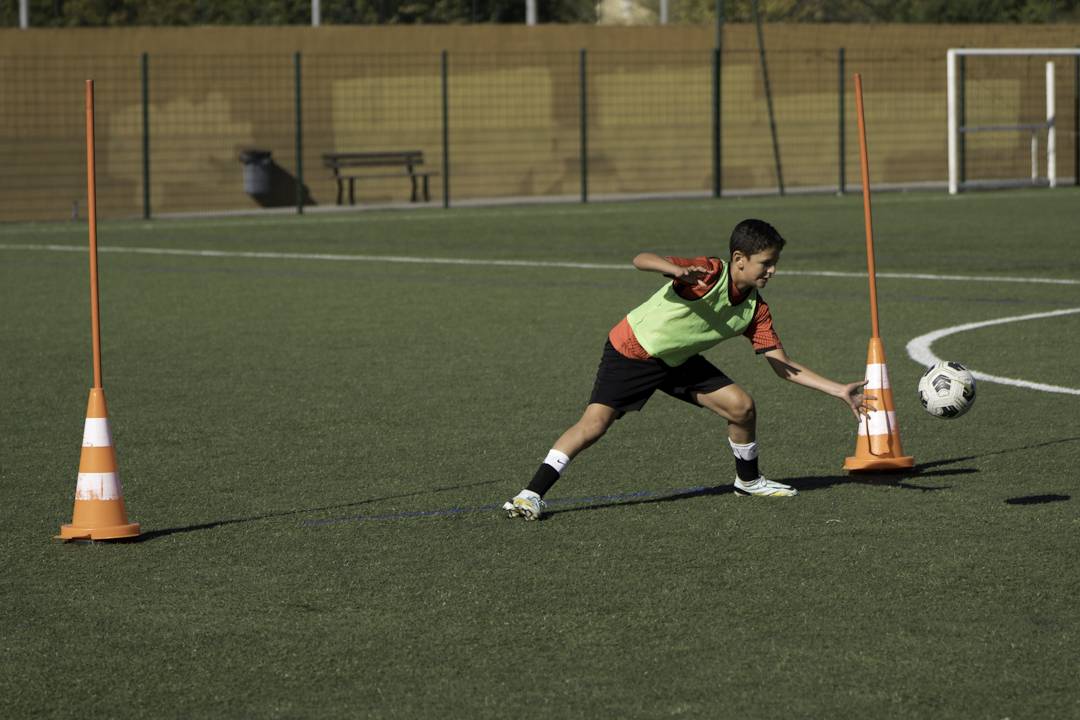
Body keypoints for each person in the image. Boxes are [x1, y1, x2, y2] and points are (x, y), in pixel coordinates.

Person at [503, 218, 869, 521]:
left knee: (742, 407)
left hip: (678, 359)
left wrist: (838, 389)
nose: (772, 271)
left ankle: (748, 481)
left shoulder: (755, 310)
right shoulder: (708, 273)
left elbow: (783, 366)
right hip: (633, 351)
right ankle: (530, 494)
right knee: (594, 425)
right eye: (766, 263)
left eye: (775, 263)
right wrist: (675, 270)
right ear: (739, 259)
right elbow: (640, 259)